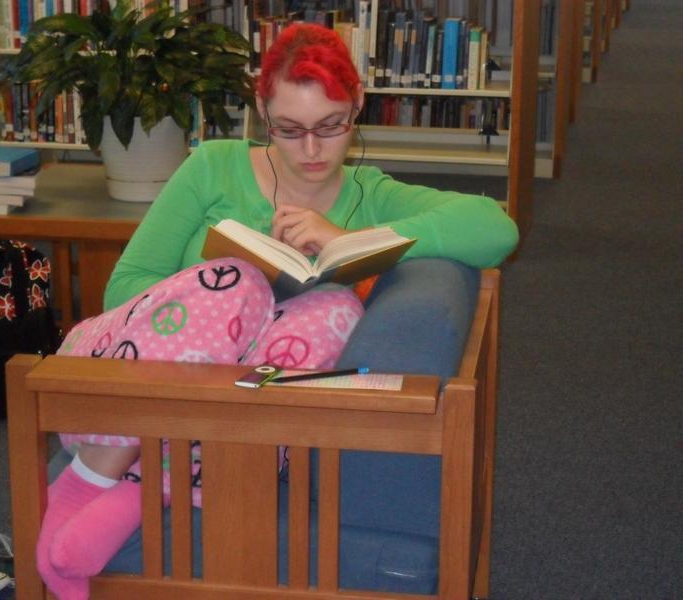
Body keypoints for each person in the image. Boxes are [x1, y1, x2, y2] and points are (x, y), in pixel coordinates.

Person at [36, 23, 519, 599]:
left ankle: (160, 488)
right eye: (289, 131)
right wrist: (227, 296)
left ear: (357, 105)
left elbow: (495, 229)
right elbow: (124, 289)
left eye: (331, 127)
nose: (311, 151)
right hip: (140, 373)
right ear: (262, 112)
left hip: (237, 419)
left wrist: (342, 238)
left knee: (334, 308)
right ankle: (94, 471)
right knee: (237, 283)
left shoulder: (372, 195)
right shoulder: (213, 165)